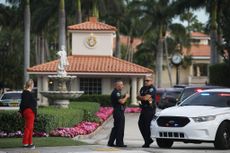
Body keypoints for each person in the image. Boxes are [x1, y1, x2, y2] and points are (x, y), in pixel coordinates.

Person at [108, 80, 130, 147]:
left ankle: (111, 142)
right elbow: (122, 102)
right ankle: (119, 143)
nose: (122, 86)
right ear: (118, 85)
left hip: (118, 111)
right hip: (118, 112)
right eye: (121, 85)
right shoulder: (116, 93)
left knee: (116, 127)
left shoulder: (118, 92)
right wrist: (126, 96)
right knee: (120, 127)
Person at [137, 75, 156, 148]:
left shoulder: (152, 89)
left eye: (148, 80)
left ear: (151, 81)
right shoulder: (143, 88)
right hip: (144, 109)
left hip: (149, 109)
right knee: (140, 124)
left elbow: (145, 98)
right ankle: (148, 139)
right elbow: (138, 97)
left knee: (147, 126)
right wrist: (143, 98)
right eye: (145, 80)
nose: (146, 82)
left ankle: (147, 142)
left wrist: (142, 97)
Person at [19, 79, 37, 149]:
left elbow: (22, 104)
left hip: (26, 112)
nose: (33, 86)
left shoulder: (24, 93)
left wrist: (20, 111)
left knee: (28, 128)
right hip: (30, 112)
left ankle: (27, 143)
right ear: (31, 85)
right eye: (33, 85)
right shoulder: (29, 94)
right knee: (29, 128)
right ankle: (28, 143)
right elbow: (32, 104)